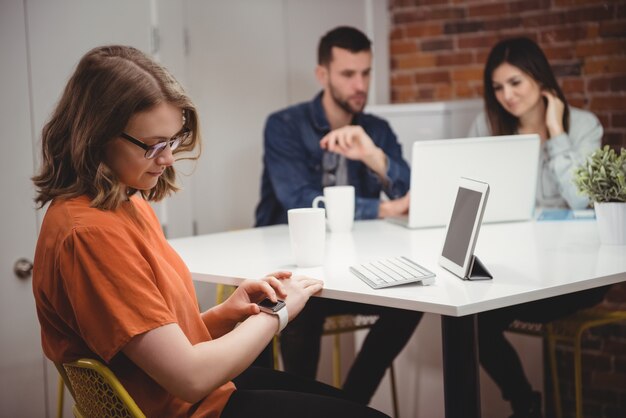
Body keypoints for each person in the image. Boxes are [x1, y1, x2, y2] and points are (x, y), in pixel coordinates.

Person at [31, 45, 390, 418]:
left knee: (355, 406)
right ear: (96, 135)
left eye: (170, 141)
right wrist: (277, 315)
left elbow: (151, 344)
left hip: (200, 397)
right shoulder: (90, 234)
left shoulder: (125, 203)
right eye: (153, 145)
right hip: (193, 408)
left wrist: (225, 313)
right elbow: (188, 376)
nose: (168, 158)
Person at [254, 26, 422, 404]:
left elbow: (413, 193)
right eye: (348, 74)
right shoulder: (284, 126)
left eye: (365, 73)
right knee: (299, 308)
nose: (359, 84)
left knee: (413, 300)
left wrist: (374, 156)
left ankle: (349, 406)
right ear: (323, 75)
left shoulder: (375, 128)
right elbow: (297, 198)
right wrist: (381, 209)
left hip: (350, 272)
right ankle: (304, 410)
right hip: (288, 272)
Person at [469, 37, 609, 418]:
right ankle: (525, 403)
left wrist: (554, 132)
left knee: (478, 319)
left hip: (575, 270)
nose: (506, 96)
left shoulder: (582, 126)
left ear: (539, 78)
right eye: (497, 87)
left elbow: (581, 199)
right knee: (471, 323)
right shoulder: (488, 125)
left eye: (515, 82)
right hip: (520, 269)